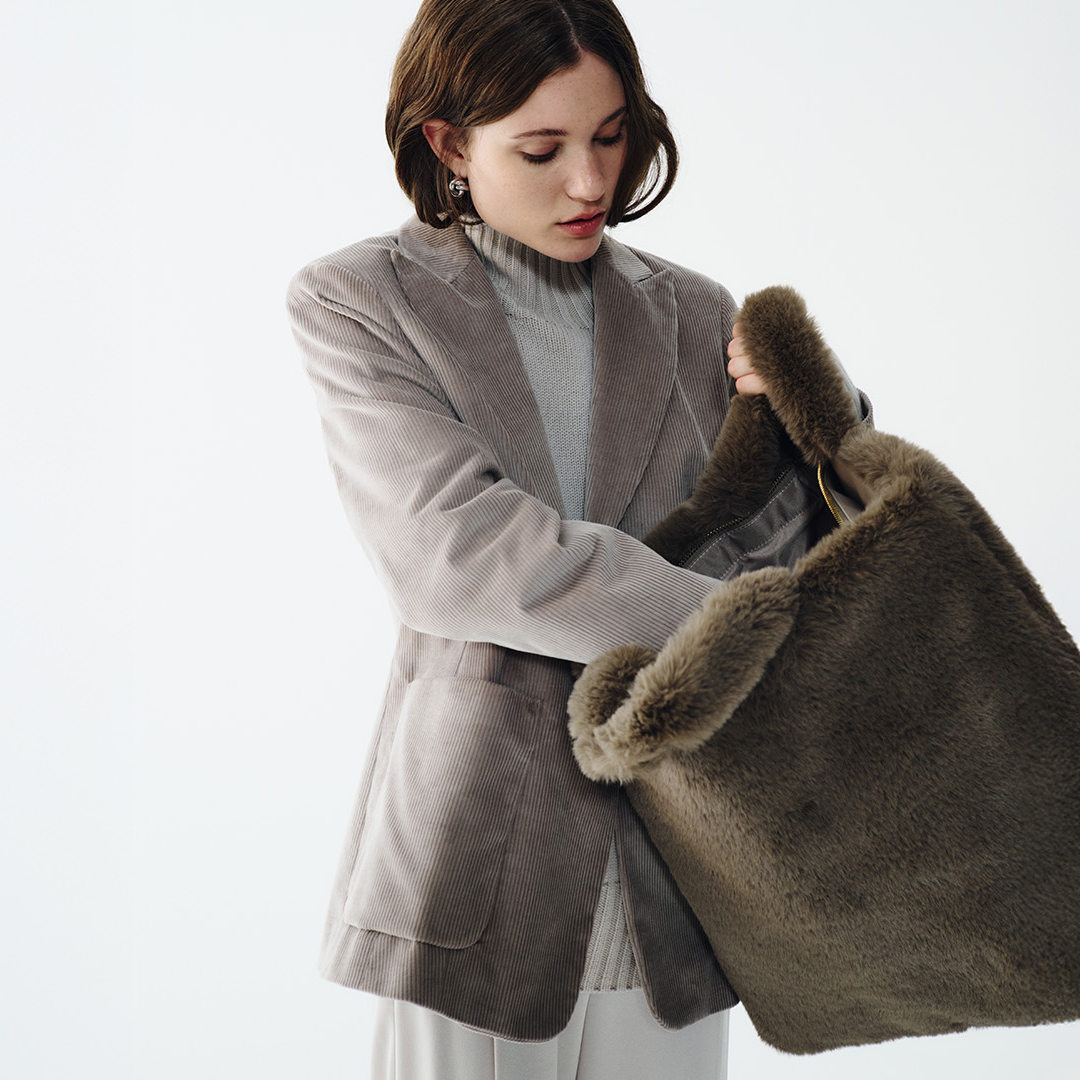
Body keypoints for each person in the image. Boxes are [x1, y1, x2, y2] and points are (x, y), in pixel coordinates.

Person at [289, 1, 857, 1074]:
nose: (592, 181)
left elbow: (797, 558)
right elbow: (460, 556)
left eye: (610, 135)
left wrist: (818, 419)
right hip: (477, 865)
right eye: (542, 149)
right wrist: (734, 633)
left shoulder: (696, 313)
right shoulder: (362, 301)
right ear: (450, 144)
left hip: (679, 880)